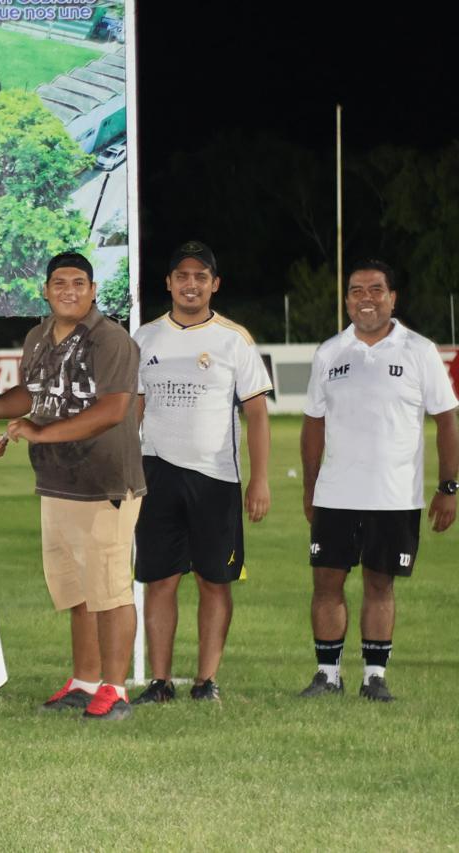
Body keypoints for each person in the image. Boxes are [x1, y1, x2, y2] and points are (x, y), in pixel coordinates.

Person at [0, 252, 145, 721]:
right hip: (57, 483)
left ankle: (116, 689)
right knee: (77, 590)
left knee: (110, 590)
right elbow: (33, 395)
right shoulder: (37, 338)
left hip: (105, 483)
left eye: (78, 283)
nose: (68, 290)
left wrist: (40, 431)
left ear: (93, 290)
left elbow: (114, 409)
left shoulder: (110, 339)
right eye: (58, 283)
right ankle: (86, 680)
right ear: (46, 290)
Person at [300, 259, 457, 701]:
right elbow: (313, 424)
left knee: (379, 583)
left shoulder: (419, 350)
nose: (365, 298)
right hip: (336, 495)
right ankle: (327, 675)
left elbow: (447, 420)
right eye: (356, 290)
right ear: (346, 299)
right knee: (326, 583)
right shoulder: (330, 352)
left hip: (393, 497)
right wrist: (311, 488)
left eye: (375, 290)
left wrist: (449, 488)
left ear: (393, 297)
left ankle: (374, 676)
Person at [129, 241, 272, 705]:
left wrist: (260, 480)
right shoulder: (145, 338)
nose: (191, 284)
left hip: (216, 479)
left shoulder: (234, 339)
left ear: (214, 284)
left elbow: (256, 413)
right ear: (169, 282)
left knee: (215, 579)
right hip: (156, 473)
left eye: (201, 276)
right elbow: (134, 409)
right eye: (182, 276)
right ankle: (160, 680)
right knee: (160, 579)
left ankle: (206, 680)